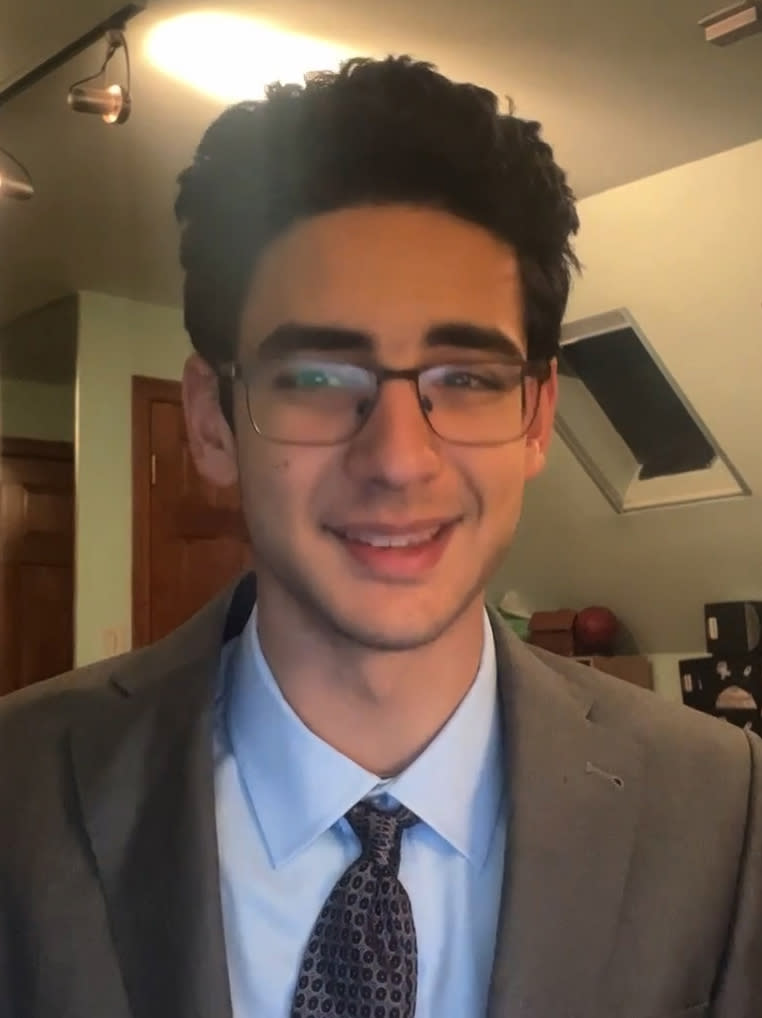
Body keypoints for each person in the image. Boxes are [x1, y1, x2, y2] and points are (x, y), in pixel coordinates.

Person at [0, 55, 759, 1018]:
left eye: (467, 378)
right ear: (210, 422)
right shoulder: (19, 793)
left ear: (535, 418)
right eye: (319, 378)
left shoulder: (723, 810)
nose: (399, 459)